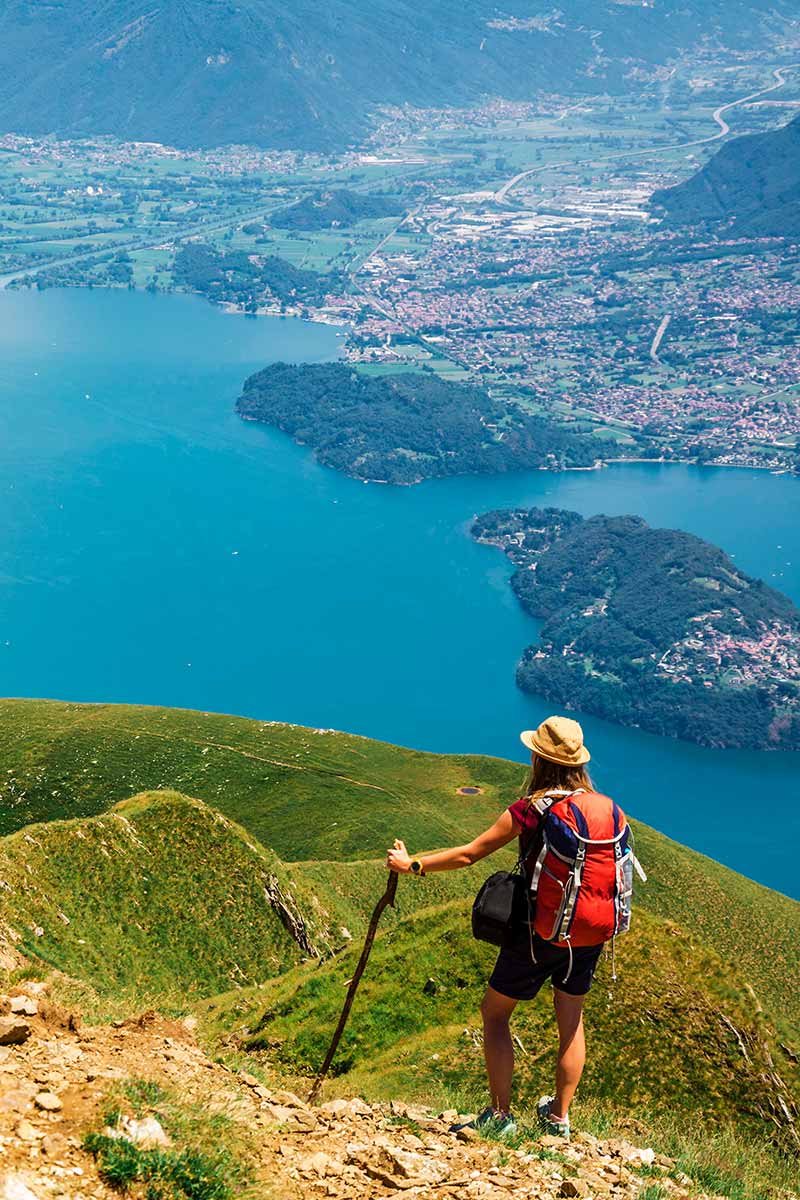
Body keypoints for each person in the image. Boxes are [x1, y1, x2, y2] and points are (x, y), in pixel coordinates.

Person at [387, 715, 604, 1140]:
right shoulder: (601, 808)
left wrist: (412, 864)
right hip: (588, 931)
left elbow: (470, 854)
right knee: (570, 1022)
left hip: (536, 931)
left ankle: (501, 1115)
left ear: (538, 758)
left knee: (495, 1013)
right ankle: (559, 1118)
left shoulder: (531, 809)